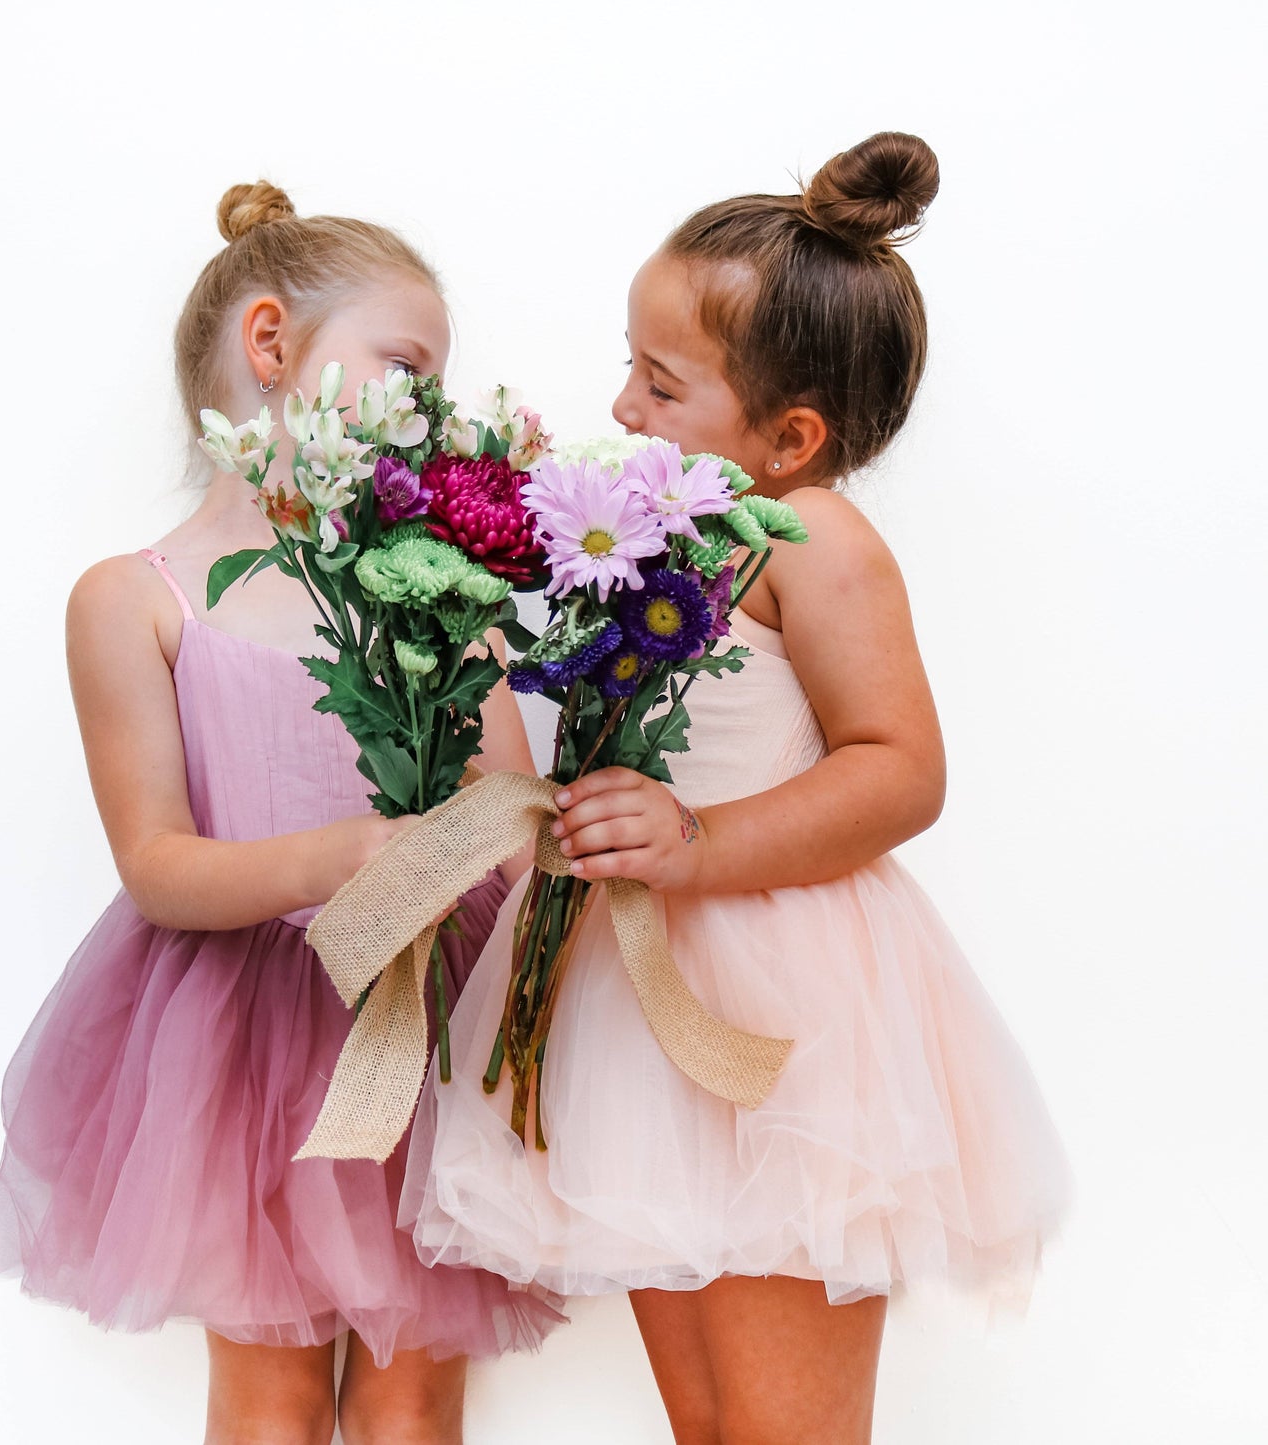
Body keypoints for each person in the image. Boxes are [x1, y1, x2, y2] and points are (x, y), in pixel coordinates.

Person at [403, 134, 1070, 1443]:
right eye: (630, 371)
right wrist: (465, 636)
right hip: (633, 998)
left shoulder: (812, 536)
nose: (626, 410)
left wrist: (697, 837)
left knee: (785, 1428)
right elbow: (578, 769)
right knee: (711, 1422)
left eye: (661, 383)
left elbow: (901, 769)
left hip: (780, 1012)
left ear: (789, 437)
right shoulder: (660, 534)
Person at [0, 181, 561, 1445]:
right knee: (270, 1392)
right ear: (270, 345)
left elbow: (511, 818)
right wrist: (350, 853)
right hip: (243, 1046)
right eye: (404, 366)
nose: (429, 406)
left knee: (414, 1390)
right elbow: (157, 865)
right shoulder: (136, 600)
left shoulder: (438, 598)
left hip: (420, 1025)